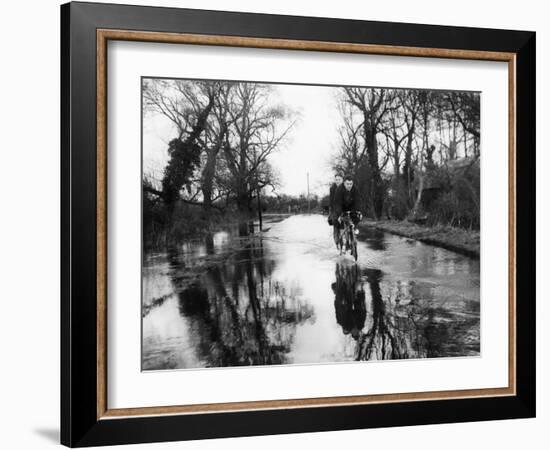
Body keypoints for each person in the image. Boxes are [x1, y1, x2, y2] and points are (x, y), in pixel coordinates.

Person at [328, 173, 343, 246]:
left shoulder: (346, 187)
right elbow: (331, 201)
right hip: (335, 208)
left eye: (339, 180)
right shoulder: (332, 189)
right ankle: (337, 241)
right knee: (336, 223)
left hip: (344, 207)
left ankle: (350, 238)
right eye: (336, 180)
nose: (338, 181)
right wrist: (332, 212)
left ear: (342, 180)